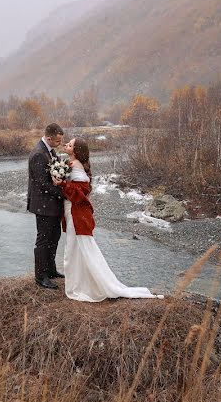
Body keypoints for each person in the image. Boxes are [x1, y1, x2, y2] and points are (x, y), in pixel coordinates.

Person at [53, 138, 163, 302]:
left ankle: (83, 286)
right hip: (71, 211)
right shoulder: (71, 163)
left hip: (76, 213)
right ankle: (82, 283)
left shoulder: (75, 165)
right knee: (75, 249)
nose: (66, 145)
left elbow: (81, 192)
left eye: (69, 144)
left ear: (76, 151)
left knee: (75, 250)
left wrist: (62, 184)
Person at [27, 123, 66, 289]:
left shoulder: (49, 150)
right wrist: (64, 193)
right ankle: (40, 276)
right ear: (49, 138)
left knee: (54, 237)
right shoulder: (38, 154)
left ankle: (51, 270)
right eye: (57, 141)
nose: (59, 143)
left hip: (52, 205)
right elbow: (42, 183)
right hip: (43, 205)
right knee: (43, 240)